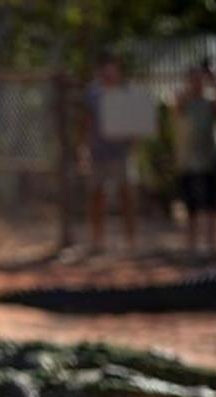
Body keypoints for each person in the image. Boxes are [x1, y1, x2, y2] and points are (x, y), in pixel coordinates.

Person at [81, 54, 138, 253]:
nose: (109, 73)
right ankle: (97, 242)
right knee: (97, 196)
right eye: (106, 69)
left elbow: (136, 124)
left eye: (113, 68)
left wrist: (132, 138)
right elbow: (86, 123)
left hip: (121, 154)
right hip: (98, 154)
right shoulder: (93, 93)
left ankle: (130, 242)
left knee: (126, 196)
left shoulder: (126, 91)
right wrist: (84, 149)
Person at [173, 64, 216, 256]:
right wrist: (190, 86)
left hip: (209, 161)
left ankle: (212, 247)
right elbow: (177, 107)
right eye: (193, 79)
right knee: (191, 208)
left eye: (199, 79)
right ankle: (191, 248)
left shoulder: (210, 101)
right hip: (188, 163)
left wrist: (215, 81)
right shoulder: (183, 100)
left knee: (211, 207)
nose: (197, 82)